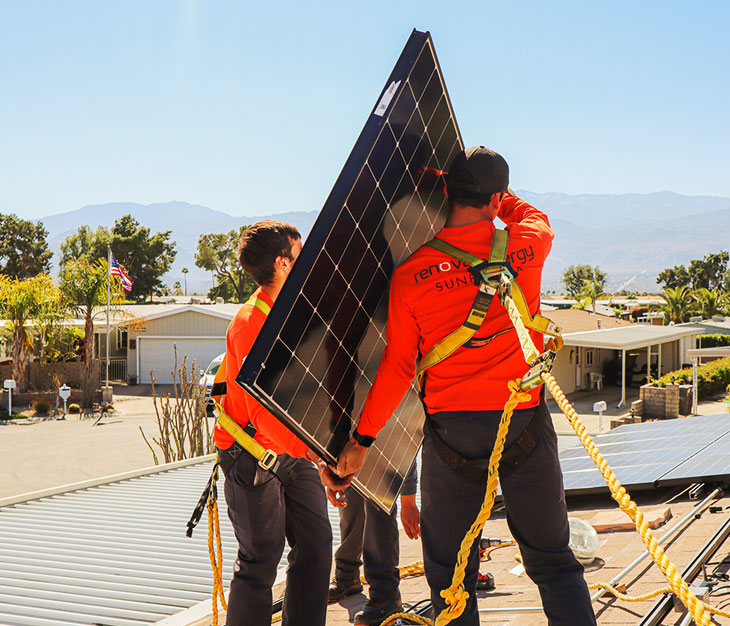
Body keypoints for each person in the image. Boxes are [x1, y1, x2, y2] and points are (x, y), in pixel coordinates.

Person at [336, 147, 597, 625]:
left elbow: (397, 367)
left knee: (450, 579)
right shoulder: (528, 243)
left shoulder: (410, 275)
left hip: (451, 434)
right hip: (523, 424)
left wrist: (362, 440)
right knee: (555, 563)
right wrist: (498, 197)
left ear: (447, 194)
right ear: (496, 197)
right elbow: (532, 215)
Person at [213, 220, 350, 626]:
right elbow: (263, 415)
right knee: (260, 559)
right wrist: (316, 454)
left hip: (290, 449)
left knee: (315, 542)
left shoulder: (289, 311)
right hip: (251, 453)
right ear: (282, 263)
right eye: (300, 252)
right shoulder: (251, 324)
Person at [329, 462, 420, 625]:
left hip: (383, 456)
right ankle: (347, 577)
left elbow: (406, 446)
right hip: (353, 451)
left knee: (379, 496)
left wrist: (409, 500)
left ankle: (386, 596)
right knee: (351, 493)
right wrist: (333, 475)